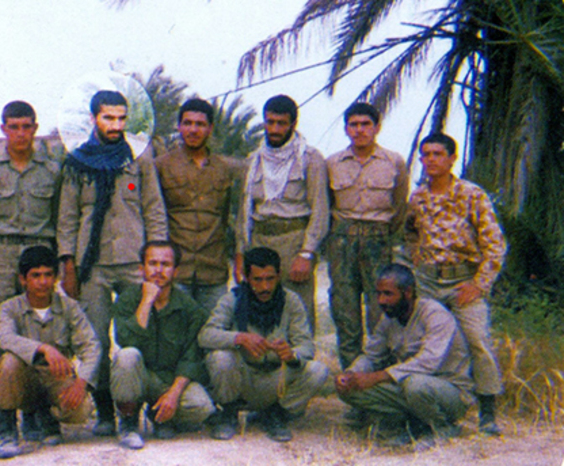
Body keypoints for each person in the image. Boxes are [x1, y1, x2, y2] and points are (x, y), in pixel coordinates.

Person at [57, 90, 168, 436]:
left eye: (122, 118)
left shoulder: (139, 156)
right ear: (94, 119)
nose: (116, 125)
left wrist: (156, 262)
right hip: (93, 268)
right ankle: (105, 412)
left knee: (139, 337)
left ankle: (136, 413)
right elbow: (67, 218)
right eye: (109, 118)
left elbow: (154, 209)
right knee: (97, 342)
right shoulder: (77, 161)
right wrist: (68, 267)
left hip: (135, 262)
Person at [0, 101, 61, 446]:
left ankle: (35, 408)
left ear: (35, 128)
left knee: (38, 328)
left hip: (38, 254)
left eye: (26, 126)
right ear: (3, 129)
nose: (20, 133)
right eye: (13, 126)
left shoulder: (51, 172)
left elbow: (58, 217)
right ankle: (0, 411)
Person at [404, 132, 506, 435]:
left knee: (477, 340)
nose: (430, 160)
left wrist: (479, 284)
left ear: (452, 158)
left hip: (463, 282)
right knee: (424, 341)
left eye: (437, 154)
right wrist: (418, 260)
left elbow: (495, 245)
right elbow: (410, 232)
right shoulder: (418, 197)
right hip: (428, 282)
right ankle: (427, 406)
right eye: (426, 154)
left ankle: (488, 411)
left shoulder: (471, 195)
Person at [335, 264, 473, 449]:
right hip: (410, 388)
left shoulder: (434, 314)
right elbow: (371, 356)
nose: (381, 301)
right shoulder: (389, 317)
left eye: (388, 294)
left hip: (450, 392)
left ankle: (442, 429)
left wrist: (377, 377)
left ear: (407, 292)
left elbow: (428, 362)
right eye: (378, 294)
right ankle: (406, 427)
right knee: (351, 389)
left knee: (415, 384)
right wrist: (350, 374)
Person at [199, 247, 328, 442]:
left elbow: (307, 347)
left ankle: (275, 414)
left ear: (279, 275)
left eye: (270, 279)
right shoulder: (232, 299)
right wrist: (239, 338)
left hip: (276, 379)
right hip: (242, 377)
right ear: (246, 278)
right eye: (257, 280)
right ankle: (229, 412)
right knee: (220, 357)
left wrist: (292, 354)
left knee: (318, 371)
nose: (265, 287)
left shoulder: (291, 301)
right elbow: (206, 335)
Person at [0, 245, 101, 459]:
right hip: (23, 378)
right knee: (9, 362)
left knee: (82, 410)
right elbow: (5, 338)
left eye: (48, 275)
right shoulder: (9, 307)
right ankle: (7, 429)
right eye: (36, 275)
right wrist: (43, 348)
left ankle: (47, 417)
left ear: (56, 278)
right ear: (23, 279)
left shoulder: (69, 307)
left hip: (54, 379)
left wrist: (82, 383)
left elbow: (91, 345)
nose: (43, 281)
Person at [235, 95, 329, 334]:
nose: (275, 129)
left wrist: (307, 254)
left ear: (293, 124)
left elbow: (320, 211)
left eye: (281, 123)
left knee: (298, 313)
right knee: (259, 313)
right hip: (260, 240)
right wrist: (241, 253)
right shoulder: (253, 161)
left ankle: (302, 357)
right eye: (270, 122)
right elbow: (244, 212)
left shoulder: (310, 159)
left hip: (293, 242)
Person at [326, 102, 409, 369]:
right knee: (345, 312)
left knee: (381, 311)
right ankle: (351, 379)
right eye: (354, 125)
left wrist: (384, 235)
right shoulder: (332, 163)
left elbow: (400, 207)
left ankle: (379, 379)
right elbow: (327, 204)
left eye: (366, 124)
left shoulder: (394, 162)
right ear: (346, 129)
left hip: (378, 241)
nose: (360, 130)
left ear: (377, 128)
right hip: (342, 241)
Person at [110, 240, 215, 449]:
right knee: (126, 357)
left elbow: (191, 357)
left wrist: (173, 395)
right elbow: (126, 340)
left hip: (168, 380)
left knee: (202, 406)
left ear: (175, 271)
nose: (158, 270)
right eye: (152, 263)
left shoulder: (189, 308)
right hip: (139, 376)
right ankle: (129, 422)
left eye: (165, 264)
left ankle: (160, 416)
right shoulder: (127, 299)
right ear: (141, 268)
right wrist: (147, 301)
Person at [156, 98, 245, 311]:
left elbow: (238, 216)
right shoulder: (161, 166)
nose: (193, 130)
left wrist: (239, 257)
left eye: (200, 124)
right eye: (187, 123)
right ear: (179, 126)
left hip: (213, 273)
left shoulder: (225, 169)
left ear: (210, 128)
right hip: (175, 272)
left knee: (215, 328)